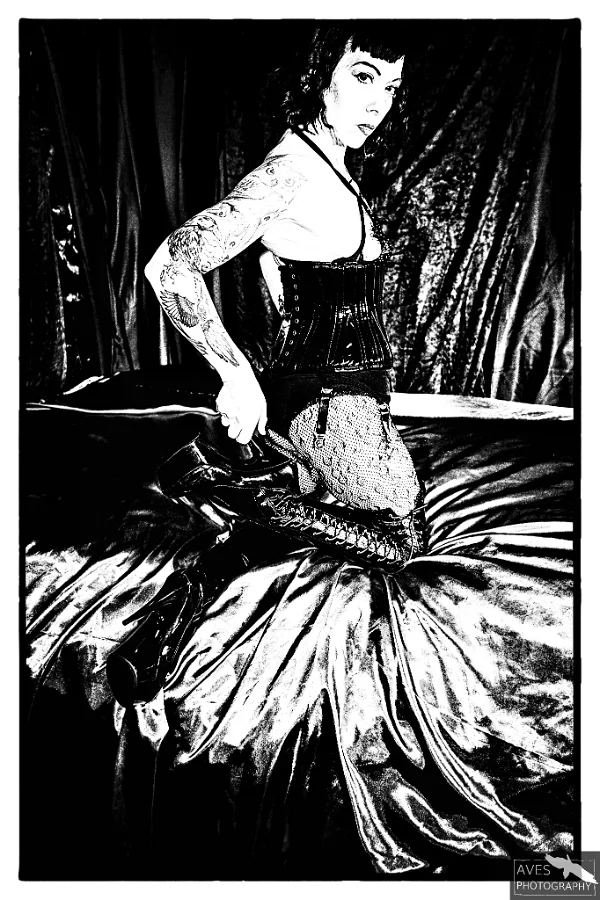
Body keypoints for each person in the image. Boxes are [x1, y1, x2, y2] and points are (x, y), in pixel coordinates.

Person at [108, 26, 425, 708]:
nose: (378, 102)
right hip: (328, 401)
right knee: (400, 541)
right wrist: (235, 374)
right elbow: (170, 265)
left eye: (391, 87)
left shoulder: (329, 161)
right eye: (363, 76)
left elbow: (281, 271)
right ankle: (232, 491)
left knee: (290, 525)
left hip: (338, 392)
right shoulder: (290, 172)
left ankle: (168, 621)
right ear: (319, 77)